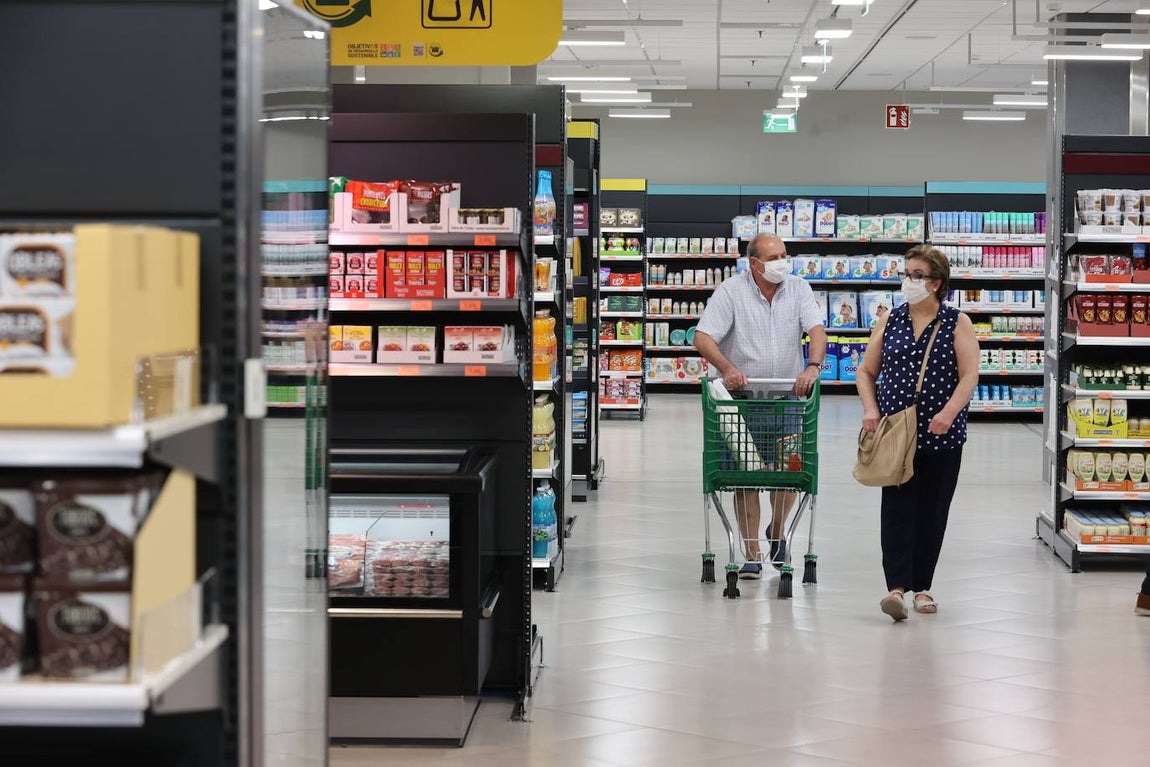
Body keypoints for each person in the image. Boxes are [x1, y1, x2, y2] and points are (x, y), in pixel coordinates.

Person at [856, 245, 979, 621]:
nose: (908, 281)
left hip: (942, 433)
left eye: (917, 275)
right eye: (906, 273)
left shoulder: (957, 322)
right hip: (897, 430)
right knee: (896, 509)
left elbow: (969, 374)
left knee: (932, 509)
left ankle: (923, 586)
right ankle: (896, 588)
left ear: (936, 282)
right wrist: (871, 409)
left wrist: (948, 412)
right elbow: (865, 371)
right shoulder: (890, 320)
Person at [695, 233, 828, 579]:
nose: (782, 262)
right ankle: (751, 549)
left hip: (787, 399)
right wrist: (727, 369)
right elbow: (702, 337)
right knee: (746, 477)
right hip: (744, 403)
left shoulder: (799, 288)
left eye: (784, 254)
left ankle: (778, 530)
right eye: (773, 257)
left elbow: (816, 330)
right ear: (753, 263)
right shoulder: (730, 292)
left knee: (787, 474)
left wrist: (812, 367)